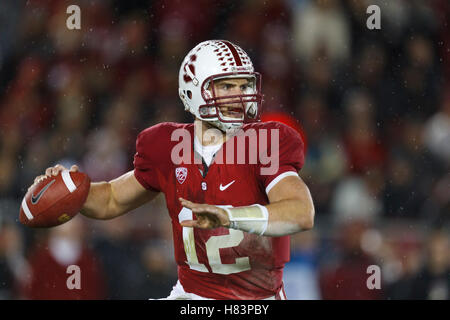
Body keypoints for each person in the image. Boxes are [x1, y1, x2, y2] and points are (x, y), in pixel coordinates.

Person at [32, 40, 315, 300]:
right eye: (227, 86)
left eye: (244, 86)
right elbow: (112, 199)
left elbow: (302, 212)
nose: (238, 96)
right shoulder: (167, 146)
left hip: (254, 300)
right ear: (194, 89)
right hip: (190, 295)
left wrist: (229, 216)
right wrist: (69, 187)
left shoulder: (264, 143)